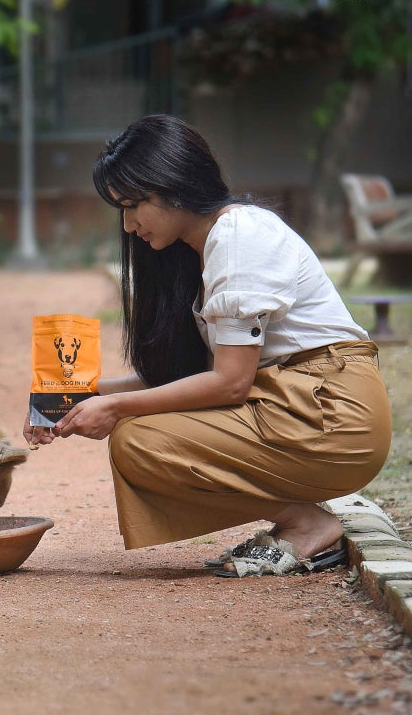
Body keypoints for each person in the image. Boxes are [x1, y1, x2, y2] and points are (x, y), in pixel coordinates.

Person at [24, 114, 392, 578]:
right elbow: (195, 376)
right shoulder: (198, 253)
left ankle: (304, 523)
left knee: (140, 439)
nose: (129, 222)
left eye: (136, 203)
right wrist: (79, 395)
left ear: (176, 183)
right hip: (287, 403)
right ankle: (303, 520)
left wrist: (117, 407)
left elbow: (231, 382)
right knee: (140, 441)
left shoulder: (240, 236)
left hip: (333, 414)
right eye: (120, 208)